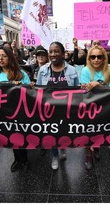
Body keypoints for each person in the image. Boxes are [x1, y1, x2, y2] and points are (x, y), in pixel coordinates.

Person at [36, 41, 79, 170]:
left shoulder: (72, 70)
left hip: (66, 110)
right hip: (48, 111)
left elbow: (77, 91)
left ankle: (63, 147)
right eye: (51, 51)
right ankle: (54, 155)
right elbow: (38, 90)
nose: (53, 54)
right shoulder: (43, 70)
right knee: (52, 135)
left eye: (56, 51)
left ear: (63, 54)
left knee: (63, 132)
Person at [0, 46, 31, 172]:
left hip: (19, 111)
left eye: (4, 56)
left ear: (10, 58)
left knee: (21, 137)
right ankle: (17, 160)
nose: (1, 59)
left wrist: (22, 86)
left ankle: (24, 160)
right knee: (11, 137)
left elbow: (30, 92)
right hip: (2, 113)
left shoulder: (20, 74)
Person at [80, 45, 110, 170]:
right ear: (89, 58)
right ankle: (88, 154)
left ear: (104, 58)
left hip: (104, 106)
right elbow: (85, 91)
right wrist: (98, 86)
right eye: (92, 57)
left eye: (99, 56)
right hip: (88, 107)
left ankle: (97, 147)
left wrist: (98, 85)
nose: (96, 59)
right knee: (87, 132)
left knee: (99, 130)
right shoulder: (85, 71)